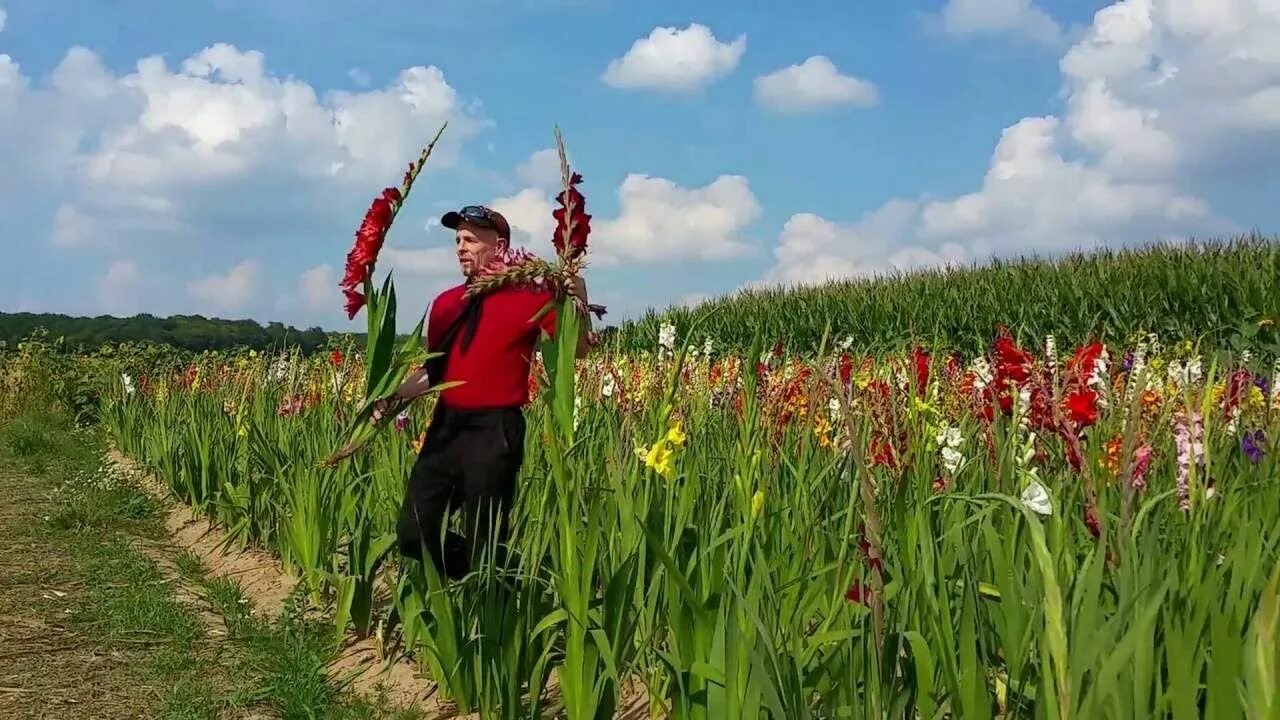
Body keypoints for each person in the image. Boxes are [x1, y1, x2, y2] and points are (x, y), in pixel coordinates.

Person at [370, 204, 592, 580]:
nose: (460, 246)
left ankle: (491, 594)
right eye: (457, 239)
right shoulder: (444, 305)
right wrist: (390, 400)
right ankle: (500, 576)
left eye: (471, 239)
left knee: (485, 541)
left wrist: (579, 296)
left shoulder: (533, 295)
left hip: (495, 432)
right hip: (446, 428)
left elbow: (580, 348)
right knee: (413, 532)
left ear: (500, 245)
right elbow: (434, 372)